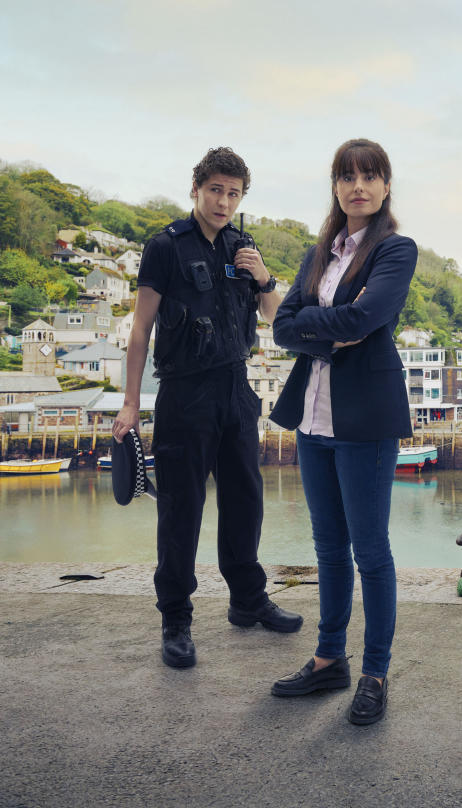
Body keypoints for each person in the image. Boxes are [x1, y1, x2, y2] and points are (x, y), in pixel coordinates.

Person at [114, 147, 302, 669]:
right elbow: (140, 331)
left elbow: (275, 318)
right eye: (215, 190)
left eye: (234, 193)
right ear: (196, 188)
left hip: (236, 388)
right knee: (181, 507)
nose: (223, 201)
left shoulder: (245, 247)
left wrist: (263, 275)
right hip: (183, 392)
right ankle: (176, 617)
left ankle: (247, 600)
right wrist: (131, 403)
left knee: (246, 499)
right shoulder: (165, 246)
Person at [266, 139, 417, 726]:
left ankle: (375, 672)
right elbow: (282, 326)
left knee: (371, 551)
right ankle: (330, 658)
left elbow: (364, 316)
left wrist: (314, 325)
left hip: (366, 419)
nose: (359, 186)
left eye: (370, 175)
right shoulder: (318, 253)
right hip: (312, 415)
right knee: (328, 546)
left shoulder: (395, 250)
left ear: (385, 186)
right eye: (347, 176)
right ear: (335, 186)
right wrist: (323, 332)